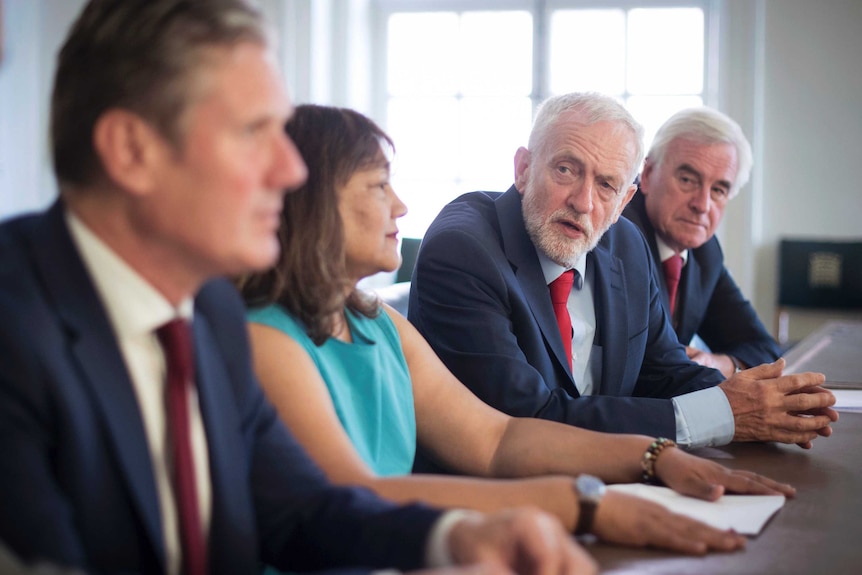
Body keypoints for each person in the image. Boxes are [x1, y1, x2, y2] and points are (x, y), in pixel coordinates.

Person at [0, 2, 596, 574]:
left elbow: (300, 510)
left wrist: (456, 538)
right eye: (255, 132)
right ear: (132, 151)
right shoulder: (13, 328)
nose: (290, 172)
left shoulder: (206, 310)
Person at [238, 104, 801, 558]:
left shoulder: (377, 321)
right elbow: (351, 498)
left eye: (606, 184)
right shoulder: (267, 338)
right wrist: (585, 506)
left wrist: (654, 454)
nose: (403, 205)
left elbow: (498, 438)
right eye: (378, 186)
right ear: (312, 202)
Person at [407, 92, 837, 451]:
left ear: (624, 198)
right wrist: (724, 414)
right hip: (498, 501)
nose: (583, 201)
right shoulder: (463, 250)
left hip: (617, 474)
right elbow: (526, 418)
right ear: (523, 170)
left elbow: (662, 369)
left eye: (606, 184)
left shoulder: (626, 245)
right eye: (566, 169)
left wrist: (762, 402)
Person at [622, 107, 782, 378]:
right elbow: (649, 370)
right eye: (687, 180)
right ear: (647, 175)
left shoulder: (705, 252)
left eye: (719, 190)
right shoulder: (619, 236)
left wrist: (722, 363)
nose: (702, 205)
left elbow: (765, 349)